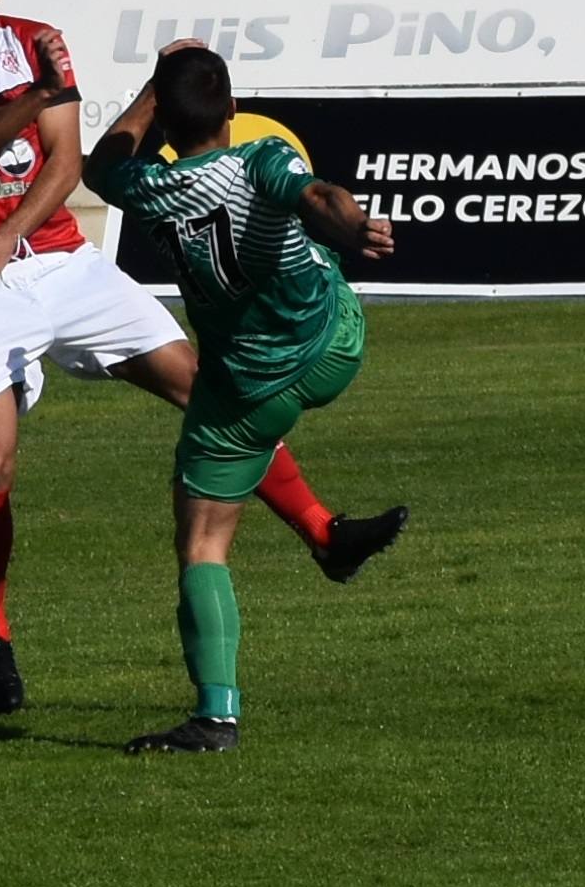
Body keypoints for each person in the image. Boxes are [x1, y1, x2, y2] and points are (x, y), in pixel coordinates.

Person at [0, 0, 381, 720]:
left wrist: (160, 78)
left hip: (65, 265)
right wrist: (37, 101)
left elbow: (71, 165)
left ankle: (325, 534)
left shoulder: (37, 40)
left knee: (211, 390)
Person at [84, 43, 408, 753]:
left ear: (166, 121)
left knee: (203, 540)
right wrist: (354, 229)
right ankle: (329, 538)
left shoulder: (149, 188)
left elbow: (100, 165)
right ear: (233, 109)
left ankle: (215, 716)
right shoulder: (259, 160)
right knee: (309, 262)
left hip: (246, 390)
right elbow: (318, 198)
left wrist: (151, 91)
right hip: (333, 351)